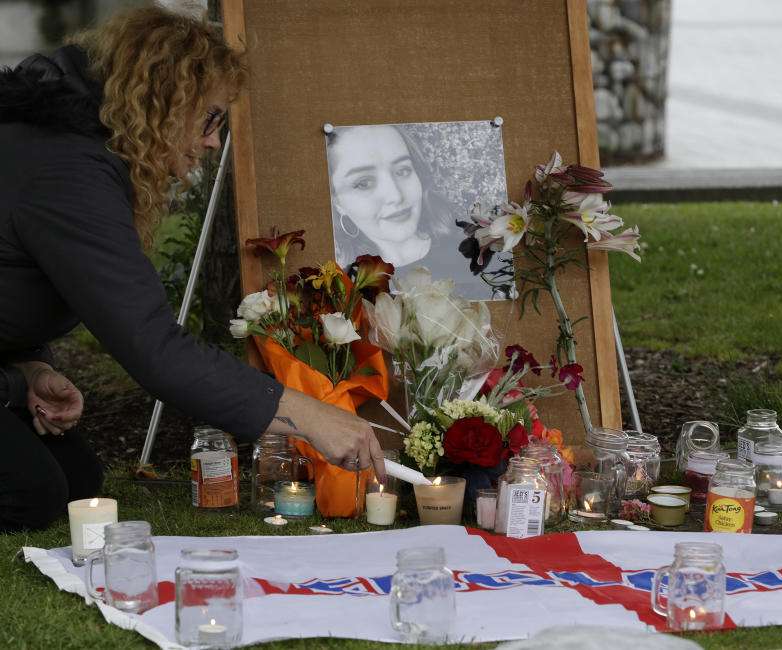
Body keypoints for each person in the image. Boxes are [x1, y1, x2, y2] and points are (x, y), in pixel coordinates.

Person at [0, 6, 384, 532]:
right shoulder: (68, 172)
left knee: (75, 480)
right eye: (210, 118)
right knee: (31, 496)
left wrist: (28, 368)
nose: (212, 141)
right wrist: (310, 414)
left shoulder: (72, 148)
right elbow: (152, 347)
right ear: (161, 100)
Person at [328, 124, 494, 294]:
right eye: (364, 183)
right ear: (338, 203)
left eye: (402, 171)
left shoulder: (480, 255)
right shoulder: (340, 291)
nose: (395, 196)